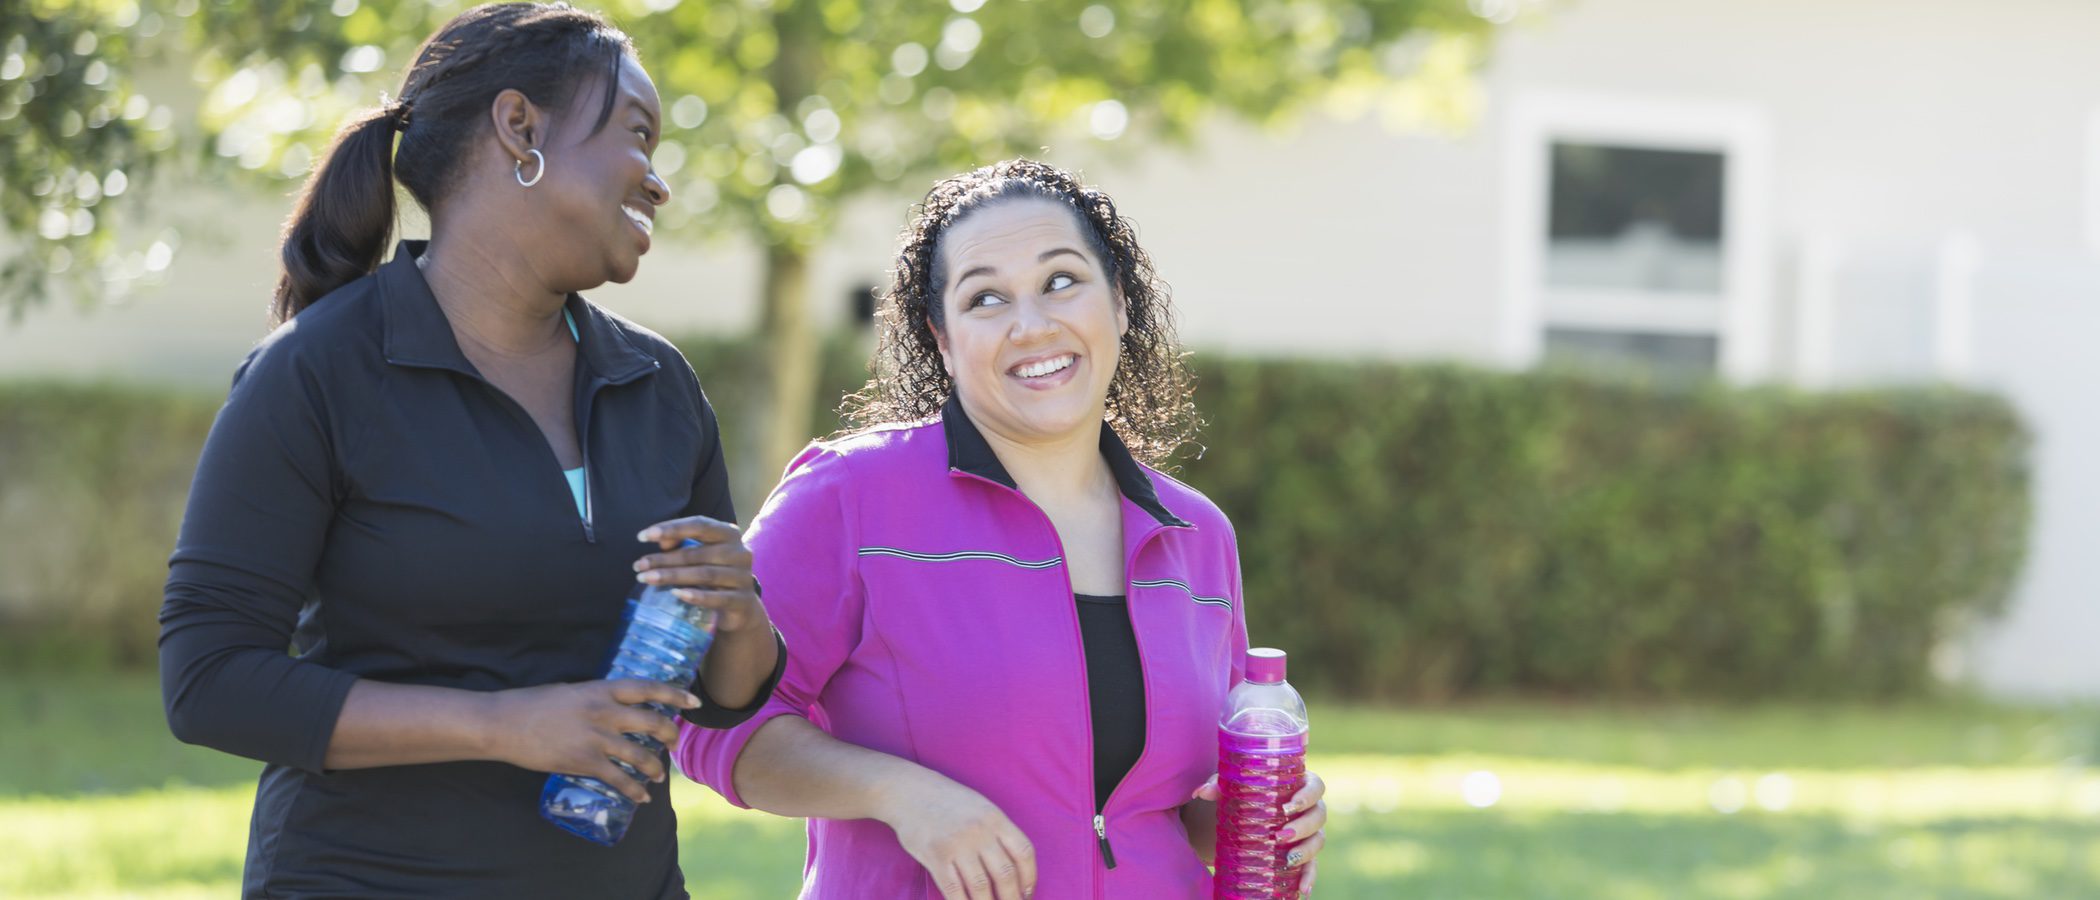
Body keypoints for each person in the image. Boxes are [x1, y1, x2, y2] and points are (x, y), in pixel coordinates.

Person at [157, 4, 782, 896]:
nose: (657, 181)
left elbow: (728, 693)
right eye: (638, 135)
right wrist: (506, 726)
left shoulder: (657, 383)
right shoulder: (319, 371)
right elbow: (209, 679)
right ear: (519, 127)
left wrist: (741, 610)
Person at [675, 158, 1329, 899]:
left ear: (1118, 302)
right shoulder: (849, 497)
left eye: (1061, 281)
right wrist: (902, 795)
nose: (1031, 324)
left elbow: (1169, 808)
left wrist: (1268, 823)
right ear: (943, 338)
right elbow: (711, 724)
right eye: (986, 297)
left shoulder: (1195, 532)